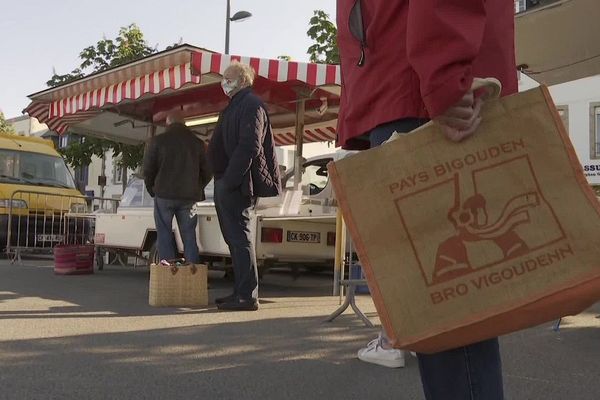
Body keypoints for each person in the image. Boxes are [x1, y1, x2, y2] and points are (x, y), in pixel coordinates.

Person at [336, 0, 517, 398]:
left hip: (417, 84)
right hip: (412, 77)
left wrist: (444, 75)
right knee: (450, 308)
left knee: (450, 303)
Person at [208, 61, 281, 311]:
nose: (223, 82)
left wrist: (229, 179)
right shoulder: (235, 106)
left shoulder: (251, 104)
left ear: (241, 80)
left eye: (227, 77)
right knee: (234, 239)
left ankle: (247, 295)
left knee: (240, 238)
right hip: (228, 181)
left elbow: (250, 145)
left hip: (238, 183)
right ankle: (240, 291)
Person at [143, 110, 211, 264]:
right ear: (184, 123)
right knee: (189, 235)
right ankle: (193, 270)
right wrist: (197, 186)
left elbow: (148, 170)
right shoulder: (198, 144)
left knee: (164, 234)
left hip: (164, 195)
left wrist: (152, 189)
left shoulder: (157, 141)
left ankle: (169, 272)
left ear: (168, 123)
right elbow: (208, 171)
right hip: (189, 197)